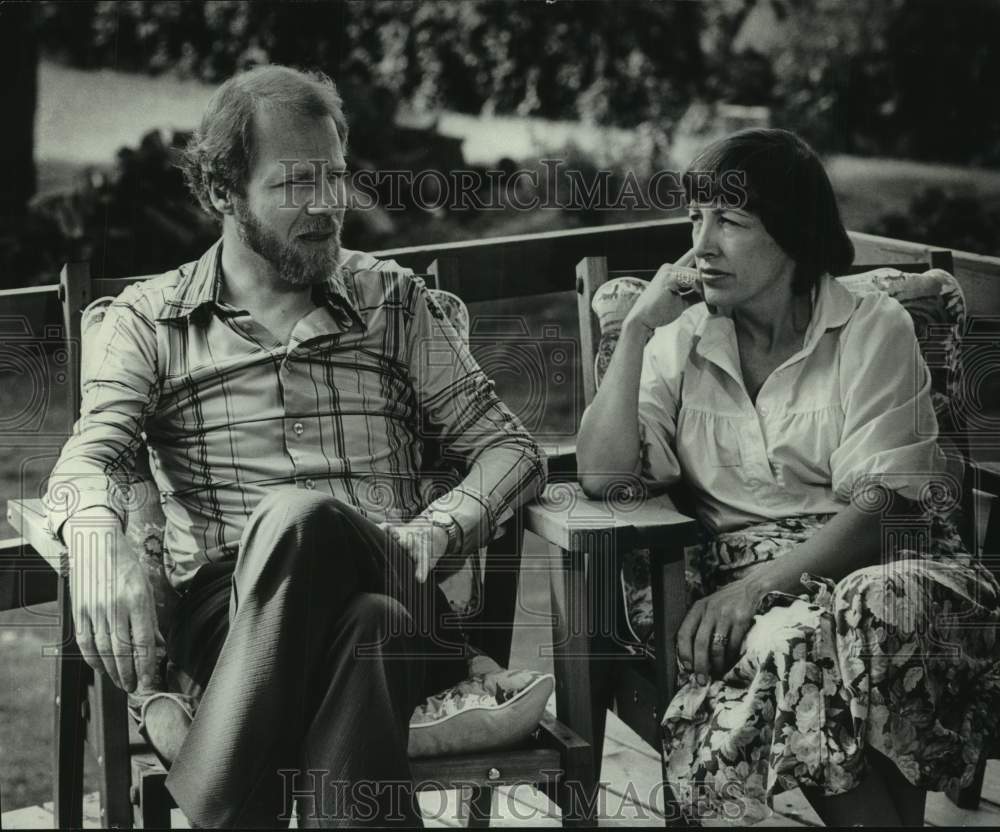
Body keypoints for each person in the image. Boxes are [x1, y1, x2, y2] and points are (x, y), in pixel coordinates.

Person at [44, 64, 545, 828]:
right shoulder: (151, 320)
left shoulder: (393, 301)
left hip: (402, 581)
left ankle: (218, 797)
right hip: (237, 624)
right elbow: (91, 454)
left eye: (335, 177)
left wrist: (436, 531)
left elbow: (513, 450)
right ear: (223, 193)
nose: (328, 204)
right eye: (294, 183)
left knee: (310, 532)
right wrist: (93, 531)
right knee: (362, 619)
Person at [576, 127, 1000, 826]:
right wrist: (636, 333)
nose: (701, 245)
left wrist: (759, 588)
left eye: (731, 222)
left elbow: (888, 504)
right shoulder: (680, 339)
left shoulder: (872, 327)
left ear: (794, 234)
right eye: (695, 218)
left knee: (867, 609)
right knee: (798, 636)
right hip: (754, 590)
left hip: (888, 561)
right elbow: (603, 474)